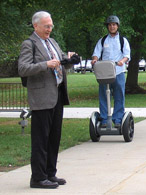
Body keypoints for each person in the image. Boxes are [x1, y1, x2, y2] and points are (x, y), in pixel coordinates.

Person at [18, 11, 80, 188]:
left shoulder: (52, 42)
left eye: (51, 25)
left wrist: (70, 60)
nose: (49, 29)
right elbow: (23, 68)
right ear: (36, 25)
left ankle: (50, 173)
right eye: (46, 26)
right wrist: (45, 64)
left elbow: (60, 62)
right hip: (41, 97)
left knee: (54, 137)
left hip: (57, 95)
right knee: (41, 139)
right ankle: (37, 177)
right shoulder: (29, 44)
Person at [91, 15, 130, 128]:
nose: (112, 27)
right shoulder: (103, 40)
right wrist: (94, 60)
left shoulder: (123, 40)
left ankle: (117, 119)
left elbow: (127, 55)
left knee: (119, 96)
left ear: (117, 26)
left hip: (118, 71)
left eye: (114, 25)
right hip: (105, 73)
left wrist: (122, 61)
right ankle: (104, 119)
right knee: (103, 95)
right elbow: (96, 53)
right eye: (110, 25)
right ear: (107, 26)